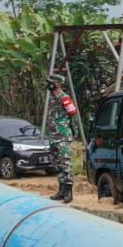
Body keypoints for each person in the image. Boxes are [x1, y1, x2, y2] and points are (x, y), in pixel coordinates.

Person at [45, 74, 77, 203]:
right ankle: (61, 190)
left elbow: (73, 115)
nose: (49, 84)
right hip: (53, 137)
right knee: (56, 164)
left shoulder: (65, 98)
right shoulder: (52, 98)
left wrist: (74, 132)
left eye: (51, 82)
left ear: (58, 83)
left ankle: (69, 191)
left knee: (65, 163)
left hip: (63, 135)